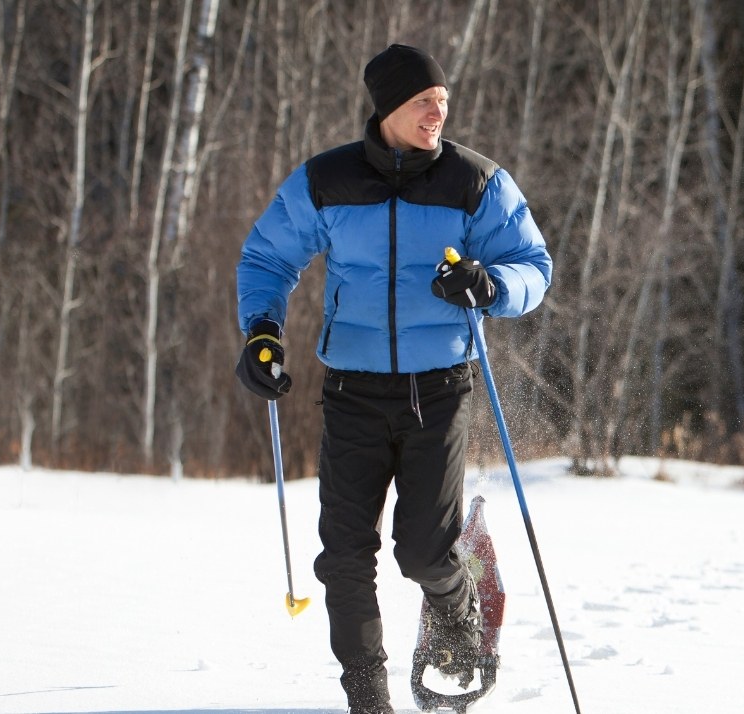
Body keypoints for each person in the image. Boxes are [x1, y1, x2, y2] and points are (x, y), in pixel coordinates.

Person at [234, 44, 552, 714]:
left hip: (439, 389)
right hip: (352, 391)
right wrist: (262, 332)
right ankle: (366, 696)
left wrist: (488, 284)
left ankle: (459, 611)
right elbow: (267, 255)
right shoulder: (327, 181)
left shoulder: (475, 182)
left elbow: (532, 265)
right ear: (386, 109)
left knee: (424, 550)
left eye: (443, 100)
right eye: (422, 102)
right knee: (344, 558)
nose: (438, 113)